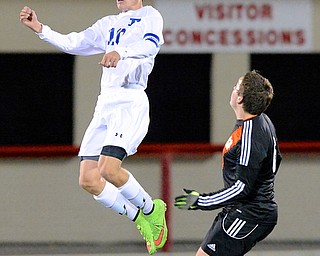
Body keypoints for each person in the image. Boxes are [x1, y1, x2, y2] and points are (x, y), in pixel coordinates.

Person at [19, 1, 167, 254]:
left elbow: (151, 45)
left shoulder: (149, 15)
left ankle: (154, 210)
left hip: (129, 101)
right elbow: (73, 43)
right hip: (105, 103)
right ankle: (139, 218)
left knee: (109, 170)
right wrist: (41, 28)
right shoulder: (109, 23)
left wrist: (121, 53)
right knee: (88, 179)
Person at [174, 70, 282, 256]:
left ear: (240, 99)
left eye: (236, 88)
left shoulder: (250, 135)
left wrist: (201, 200)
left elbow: (241, 188)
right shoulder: (261, 120)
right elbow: (275, 161)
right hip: (244, 209)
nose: (232, 90)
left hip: (250, 213)